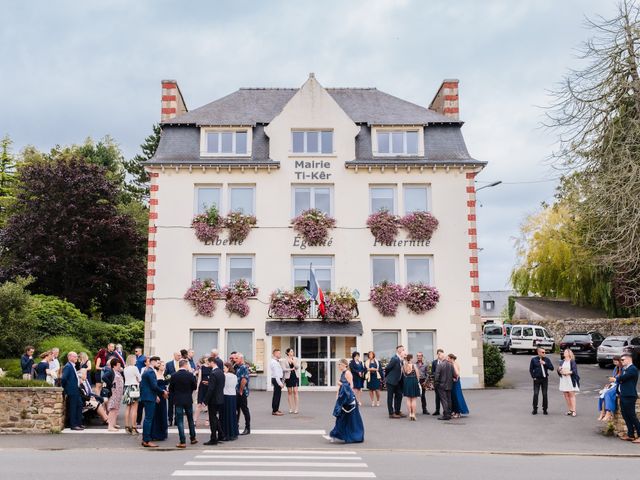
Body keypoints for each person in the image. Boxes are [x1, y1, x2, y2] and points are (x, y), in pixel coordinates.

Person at [329, 358, 364, 443]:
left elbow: (350, 386)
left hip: (348, 399)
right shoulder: (343, 373)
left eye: (340, 364)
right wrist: (337, 394)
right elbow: (342, 386)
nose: (339, 366)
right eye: (338, 365)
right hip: (343, 398)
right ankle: (338, 434)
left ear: (344, 365)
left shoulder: (348, 373)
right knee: (342, 417)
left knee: (347, 417)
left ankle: (352, 435)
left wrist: (340, 384)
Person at [140, 356, 168, 448]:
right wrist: (162, 391)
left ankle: (145, 438)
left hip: (147, 396)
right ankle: (146, 440)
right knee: (149, 419)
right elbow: (154, 386)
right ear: (153, 362)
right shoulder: (151, 372)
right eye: (158, 362)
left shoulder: (147, 371)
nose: (159, 364)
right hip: (149, 397)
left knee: (147, 419)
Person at [169, 359, 198, 448]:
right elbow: (194, 386)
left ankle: (182, 441)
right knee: (190, 419)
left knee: (180, 421)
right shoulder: (190, 375)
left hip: (178, 400)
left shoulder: (174, 375)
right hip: (188, 399)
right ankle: (193, 438)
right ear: (185, 365)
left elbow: (171, 388)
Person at [616, 353, 640, 442]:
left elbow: (624, 378)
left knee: (632, 416)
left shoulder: (633, 369)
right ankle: (631, 435)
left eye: (622, 360)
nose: (621, 362)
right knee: (625, 415)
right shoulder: (625, 369)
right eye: (620, 360)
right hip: (623, 395)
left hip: (630, 395)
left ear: (629, 359)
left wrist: (616, 379)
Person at [203, 356, 226, 446]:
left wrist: (205, 400)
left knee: (212, 419)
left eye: (209, 363)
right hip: (220, 398)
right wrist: (209, 383)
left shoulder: (213, 373)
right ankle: (221, 434)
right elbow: (219, 385)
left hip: (213, 399)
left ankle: (213, 438)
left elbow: (211, 389)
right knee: (215, 417)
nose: (208, 364)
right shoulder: (221, 372)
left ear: (212, 362)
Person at [61, 351, 83, 431]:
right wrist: (66, 388)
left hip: (76, 389)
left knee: (79, 405)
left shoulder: (72, 366)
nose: (76, 358)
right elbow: (63, 378)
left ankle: (78, 423)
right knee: (73, 407)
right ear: (69, 357)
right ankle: (73, 425)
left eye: (76, 356)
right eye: (75, 356)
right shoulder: (68, 366)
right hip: (71, 390)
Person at [529, 347, 554, 415]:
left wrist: (545, 363)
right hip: (536, 379)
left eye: (545, 352)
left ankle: (545, 409)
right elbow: (531, 369)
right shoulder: (533, 360)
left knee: (545, 394)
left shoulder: (547, 359)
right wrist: (533, 377)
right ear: (539, 352)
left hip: (544, 379)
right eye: (543, 352)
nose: (544, 353)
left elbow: (552, 368)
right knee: (536, 394)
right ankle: (535, 409)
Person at [598, 356, 622, 422]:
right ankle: (602, 412)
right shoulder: (616, 368)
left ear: (620, 361)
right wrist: (609, 384)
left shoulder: (622, 369)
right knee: (602, 393)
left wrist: (614, 380)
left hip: (619, 386)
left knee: (608, 394)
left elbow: (620, 379)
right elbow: (613, 378)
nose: (615, 363)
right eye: (614, 362)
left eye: (616, 362)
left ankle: (608, 413)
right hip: (614, 384)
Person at [385, 345, 406, 418]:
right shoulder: (394, 358)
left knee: (399, 396)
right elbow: (387, 368)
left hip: (399, 381)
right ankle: (391, 413)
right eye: (402, 349)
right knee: (390, 397)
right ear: (398, 350)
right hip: (391, 381)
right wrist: (388, 377)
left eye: (403, 349)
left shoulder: (401, 359)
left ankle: (397, 411)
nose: (403, 351)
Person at [123, 354, 142, 435]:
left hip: (127, 387)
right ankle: (134, 428)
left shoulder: (125, 368)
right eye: (135, 359)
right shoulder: (134, 368)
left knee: (128, 407)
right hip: (134, 387)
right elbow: (140, 378)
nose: (136, 361)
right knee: (134, 408)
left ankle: (127, 427)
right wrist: (137, 379)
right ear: (132, 360)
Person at [151, 360, 169, 441]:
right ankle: (155, 433)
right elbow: (153, 386)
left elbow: (165, 385)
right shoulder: (155, 374)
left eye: (164, 365)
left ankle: (162, 433)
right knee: (156, 413)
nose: (163, 366)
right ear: (158, 366)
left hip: (163, 396)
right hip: (158, 396)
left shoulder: (164, 375)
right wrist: (155, 396)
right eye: (162, 365)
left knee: (163, 413)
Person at [558, 349, 580, 416]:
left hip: (570, 379)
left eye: (565, 352)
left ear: (569, 353)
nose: (564, 353)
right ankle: (570, 409)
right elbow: (559, 369)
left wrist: (568, 372)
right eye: (564, 352)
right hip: (564, 380)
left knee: (571, 394)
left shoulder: (572, 361)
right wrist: (559, 370)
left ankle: (574, 410)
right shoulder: (562, 361)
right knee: (566, 395)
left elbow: (574, 371)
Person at [434, 350, 454, 420]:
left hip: (441, 385)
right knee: (449, 399)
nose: (438, 357)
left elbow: (437, 375)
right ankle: (449, 413)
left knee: (444, 400)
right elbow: (454, 375)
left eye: (439, 356)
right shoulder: (451, 365)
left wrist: (436, 383)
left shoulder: (440, 365)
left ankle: (446, 415)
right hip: (449, 384)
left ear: (441, 357)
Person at [222, 362, 239, 441]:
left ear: (228, 368)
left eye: (224, 368)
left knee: (226, 415)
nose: (223, 369)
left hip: (226, 395)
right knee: (232, 414)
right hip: (233, 395)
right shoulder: (235, 376)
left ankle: (227, 433)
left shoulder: (225, 375)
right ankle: (234, 432)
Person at [106, 358, 124, 431]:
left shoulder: (117, 371)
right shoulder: (111, 371)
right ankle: (110, 426)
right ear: (114, 365)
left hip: (118, 394)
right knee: (112, 409)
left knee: (116, 409)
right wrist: (111, 384)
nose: (120, 366)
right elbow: (104, 377)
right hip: (114, 393)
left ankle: (113, 424)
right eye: (118, 365)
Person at [235, 353, 251, 435]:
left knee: (244, 409)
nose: (235, 359)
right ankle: (235, 426)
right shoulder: (237, 367)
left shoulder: (244, 367)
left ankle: (247, 428)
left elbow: (244, 380)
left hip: (242, 392)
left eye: (237, 358)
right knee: (237, 409)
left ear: (241, 359)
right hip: (237, 392)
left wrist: (241, 391)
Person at [449, 354, 469, 418]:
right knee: (454, 396)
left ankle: (458, 412)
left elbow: (457, 373)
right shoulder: (455, 363)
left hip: (455, 382)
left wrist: (454, 377)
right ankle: (455, 411)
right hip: (455, 382)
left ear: (451, 359)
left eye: (448, 358)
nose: (447, 360)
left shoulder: (454, 364)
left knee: (456, 396)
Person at [164, 351, 181, 426]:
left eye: (180, 355)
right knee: (170, 404)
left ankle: (177, 420)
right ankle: (170, 419)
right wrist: (169, 378)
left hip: (180, 387)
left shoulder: (182, 363)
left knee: (178, 404)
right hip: (171, 386)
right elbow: (166, 375)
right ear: (174, 356)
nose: (179, 357)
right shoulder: (169, 364)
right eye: (178, 355)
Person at [402, 354, 421, 421]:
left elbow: (404, 374)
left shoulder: (404, 366)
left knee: (408, 399)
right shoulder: (414, 365)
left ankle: (410, 413)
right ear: (411, 358)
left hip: (407, 381)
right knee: (414, 399)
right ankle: (413, 414)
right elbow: (418, 375)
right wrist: (418, 382)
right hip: (413, 381)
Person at [281, 348, 300, 414]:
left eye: (293, 351)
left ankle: (296, 408)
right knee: (289, 392)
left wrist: (293, 362)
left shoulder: (296, 359)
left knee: (295, 391)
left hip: (295, 376)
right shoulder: (284, 360)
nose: (292, 352)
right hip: (288, 377)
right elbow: (284, 369)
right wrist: (291, 369)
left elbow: (297, 367)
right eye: (291, 351)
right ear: (288, 353)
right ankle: (291, 408)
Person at [195, 356, 212, 426]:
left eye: (208, 360)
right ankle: (195, 420)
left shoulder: (212, 367)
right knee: (199, 404)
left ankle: (208, 420)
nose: (207, 361)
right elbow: (199, 378)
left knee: (209, 405)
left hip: (209, 387)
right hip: (202, 387)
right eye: (206, 359)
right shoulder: (201, 368)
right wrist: (197, 388)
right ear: (204, 360)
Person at [270, 349, 284, 416]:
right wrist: (280, 383)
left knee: (277, 395)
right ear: (275, 354)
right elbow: (276, 374)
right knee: (277, 395)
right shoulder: (274, 362)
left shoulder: (276, 361)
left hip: (277, 379)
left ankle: (276, 409)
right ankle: (275, 410)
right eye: (278, 353)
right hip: (276, 379)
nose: (280, 354)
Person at [431, 349, 445, 416]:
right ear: (437, 354)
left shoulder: (445, 362)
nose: (440, 355)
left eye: (441, 354)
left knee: (444, 397)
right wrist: (437, 374)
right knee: (437, 397)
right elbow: (432, 372)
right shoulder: (434, 362)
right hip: (437, 382)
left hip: (444, 382)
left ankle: (446, 410)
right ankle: (437, 410)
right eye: (439, 354)